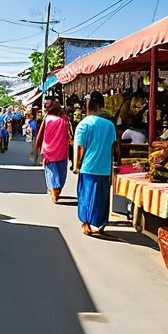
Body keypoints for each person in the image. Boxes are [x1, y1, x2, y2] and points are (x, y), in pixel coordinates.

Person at [73, 91, 116, 235]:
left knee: (86, 196)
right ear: (101, 106)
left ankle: (86, 224)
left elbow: (80, 147)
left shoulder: (83, 124)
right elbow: (113, 147)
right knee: (102, 198)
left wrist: (77, 165)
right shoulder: (110, 125)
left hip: (87, 167)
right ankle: (100, 223)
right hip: (104, 168)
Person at [35, 101, 70, 204]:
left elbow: (41, 133)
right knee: (61, 171)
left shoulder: (47, 119)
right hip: (61, 150)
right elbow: (68, 135)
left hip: (48, 150)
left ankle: (53, 191)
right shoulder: (63, 120)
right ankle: (57, 190)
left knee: (51, 172)